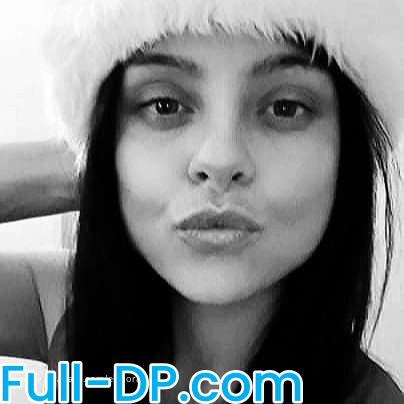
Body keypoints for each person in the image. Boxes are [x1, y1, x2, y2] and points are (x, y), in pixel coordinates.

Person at [39, 0, 404, 402]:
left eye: (285, 108)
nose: (220, 159)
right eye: (164, 105)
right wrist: (91, 164)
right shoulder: (75, 325)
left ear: (348, 155)